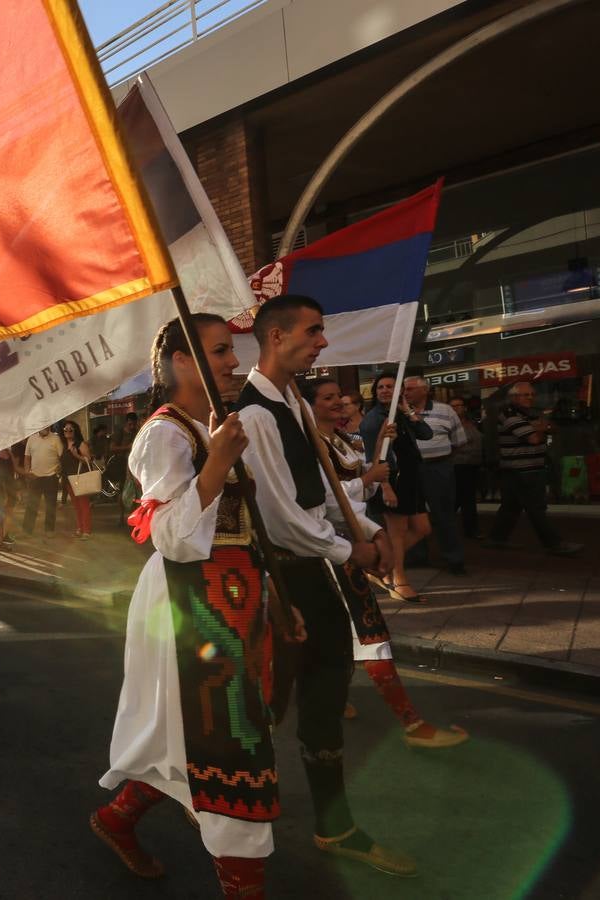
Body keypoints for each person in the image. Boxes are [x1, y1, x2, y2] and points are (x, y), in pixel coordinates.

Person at [94, 313, 281, 896]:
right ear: (182, 361)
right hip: (190, 601)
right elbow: (170, 537)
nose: (232, 361)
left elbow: (248, 524)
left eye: (232, 350)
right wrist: (220, 461)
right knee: (225, 743)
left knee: (194, 736)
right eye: (220, 351)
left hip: (237, 596)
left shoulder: (214, 424)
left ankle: (116, 818)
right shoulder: (164, 433)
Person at [236, 295, 415, 877]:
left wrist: (362, 530)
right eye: (313, 332)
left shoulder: (290, 399)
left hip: (315, 571)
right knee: (262, 707)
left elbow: (318, 494)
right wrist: (349, 549)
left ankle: (333, 824)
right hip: (288, 580)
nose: (323, 342)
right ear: (277, 335)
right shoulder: (259, 412)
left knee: (316, 702)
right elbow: (279, 515)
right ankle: (158, 800)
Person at [308, 378, 468, 748]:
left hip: (353, 544)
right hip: (331, 551)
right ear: (308, 405)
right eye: (328, 398)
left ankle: (324, 702)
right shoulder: (310, 447)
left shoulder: (340, 442)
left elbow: (361, 490)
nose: (339, 404)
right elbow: (324, 500)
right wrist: (367, 481)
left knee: (339, 638)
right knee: (371, 637)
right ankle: (412, 726)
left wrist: (377, 459)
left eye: (341, 398)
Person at [359, 373, 433, 602]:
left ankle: (378, 563)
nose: (384, 390)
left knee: (422, 528)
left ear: (400, 391)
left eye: (390, 386)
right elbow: (374, 456)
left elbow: (426, 434)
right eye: (380, 387)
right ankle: (398, 581)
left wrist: (407, 410)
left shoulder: (399, 413)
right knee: (397, 534)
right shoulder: (374, 419)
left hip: (411, 478)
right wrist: (385, 486)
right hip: (393, 480)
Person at [487, 381, 582, 556]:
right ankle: (554, 544)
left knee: (511, 507)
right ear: (514, 397)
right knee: (536, 508)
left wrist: (541, 428)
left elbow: (552, 428)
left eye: (532, 394)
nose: (531, 397)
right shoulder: (509, 414)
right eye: (526, 394)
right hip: (522, 470)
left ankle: (496, 538)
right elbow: (534, 439)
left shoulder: (529, 413)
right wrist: (540, 428)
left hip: (523, 469)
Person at [403, 376, 467, 575]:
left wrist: (440, 457)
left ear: (425, 390)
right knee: (413, 514)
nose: (406, 392)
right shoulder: (399, 412)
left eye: (411, 389)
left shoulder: (444, 411)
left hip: (437, 468)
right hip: (410, 470)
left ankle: (454, 559)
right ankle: (417, 557)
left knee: (444, 514)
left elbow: (458, 441)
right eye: (405, 389)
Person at [20, 425, 63, 537]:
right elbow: (27, 457)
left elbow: (61, 457)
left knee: (51, 506)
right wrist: (27, 472)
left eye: (47, 425)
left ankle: (49, 530)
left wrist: (58, 470)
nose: (45, 427)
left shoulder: (55, 438)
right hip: (35, 477)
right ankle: (27, 530)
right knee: (32, 504)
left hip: (51, 476)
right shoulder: (31, 439)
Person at [449, 398, 484, 539]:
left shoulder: (474, 422)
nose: (457, 408)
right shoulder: (448, 425)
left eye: (459, 405)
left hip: (473, 464)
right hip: (457, 465)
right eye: (453, 406)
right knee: (466, 499)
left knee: (462, 498)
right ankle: (470, 530)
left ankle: (443, 523)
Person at [61, 421, 94, 539]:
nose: (67, 431)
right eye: (65, 429)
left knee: (84, 505)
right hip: (68, 479)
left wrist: (76, 455)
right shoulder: (63, 445)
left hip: (80, 478)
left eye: (70, 429)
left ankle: (86, 530)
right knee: (76, 506)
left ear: (75, 431)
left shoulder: (80, 444)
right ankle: (80, 528)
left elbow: (88, 460)